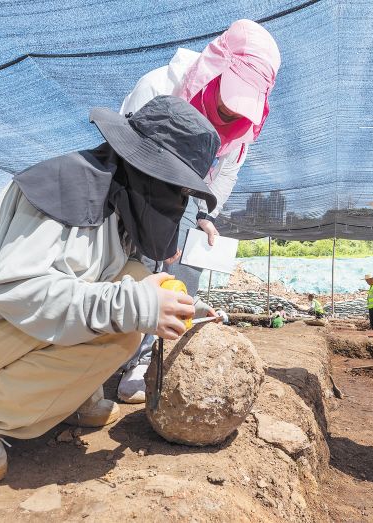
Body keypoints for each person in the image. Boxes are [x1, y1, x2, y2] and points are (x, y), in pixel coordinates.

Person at [0, 96, 221, 488]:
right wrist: (135, 305)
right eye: (175, 187)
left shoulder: (114, 201)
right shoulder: (71, 185)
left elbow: (110, 285)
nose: (178, 201)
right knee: (121, 330)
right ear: (146, 166)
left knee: (135, 281)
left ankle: (70, 396)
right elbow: (17, 289)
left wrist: (181, 306)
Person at [110, 19, 281, 404]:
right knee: (132, 266)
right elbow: (128, 157)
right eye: (227, 94)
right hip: (136, 185)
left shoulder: (243, 127)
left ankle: (149, 361)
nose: (227, 109)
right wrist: (156, 226)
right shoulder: (158, 86)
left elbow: (227, 168)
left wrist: (206, 214)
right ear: (215, 68)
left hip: (188, 193)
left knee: (181, 270)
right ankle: (103, 356)